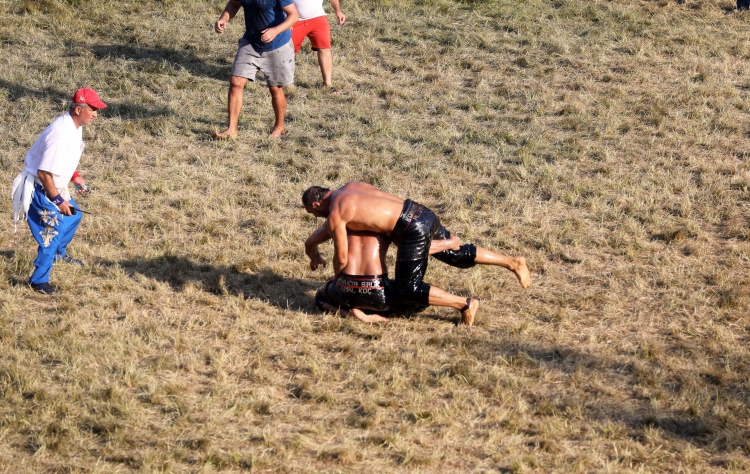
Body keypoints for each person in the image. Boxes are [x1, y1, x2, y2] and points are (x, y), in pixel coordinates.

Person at [302, 182, 531, 325]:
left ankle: (465, 304)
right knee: (457, 255)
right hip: (419, 212)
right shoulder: (354, 187)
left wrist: (337, 275)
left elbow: (342, 257)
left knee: (410, 289)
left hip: (409, 229)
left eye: (312, 214)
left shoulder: (337, 214)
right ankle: (512, 262)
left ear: (316, 205)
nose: (316, 218)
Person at [10, 88, 107, 295]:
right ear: (79, 109)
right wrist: (58, 200)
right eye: (93, 109)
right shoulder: (60, 133)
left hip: (52, 185)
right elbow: (44, 172)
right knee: (52, 231)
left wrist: (75, 177)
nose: (96, 114)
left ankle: (57, 254)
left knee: (74, 216)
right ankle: (39, 281)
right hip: (39, 188)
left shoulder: (75, 126)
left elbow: (64, 160)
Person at [308, 229, 459, 322]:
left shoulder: (341, 223)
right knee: (418, 296)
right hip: (377, 289)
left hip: (345, 288)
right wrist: (450, 243)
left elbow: (311, 243)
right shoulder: (386, 225)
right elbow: (418, 247)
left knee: (320, 296)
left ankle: (351, 312)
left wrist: (318, 260)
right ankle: (370, 310)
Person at [214, 0, 299, 139]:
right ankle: (231, 130)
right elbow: (234, 4)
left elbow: (294, 15)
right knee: (235, 81)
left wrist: (276, 30)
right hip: (251, 42)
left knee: (275, 88)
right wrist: (223, 18)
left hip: (277, 44)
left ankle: (279, 126)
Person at [291, 0, 345, 93]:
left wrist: (338, 10)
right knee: (285, 51)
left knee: (325, 48)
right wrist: (284, 19)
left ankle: (328, 84)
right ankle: (276, 83)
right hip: (293, 20)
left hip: (318, 17)